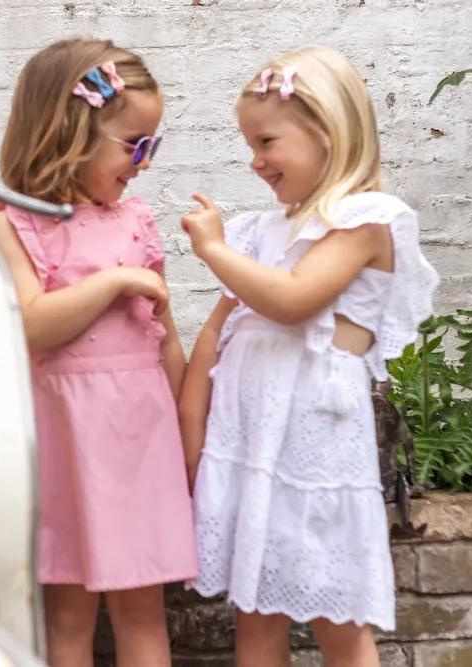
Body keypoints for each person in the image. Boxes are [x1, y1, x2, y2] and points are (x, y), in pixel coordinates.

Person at [178, 45, 440, 667]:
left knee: (337, 612)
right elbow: (217, 336)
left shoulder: (363, 222)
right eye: (250, 145)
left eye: (267, 141)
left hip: (316, 453)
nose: (255, 161)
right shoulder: (258, 235)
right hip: (250, 445)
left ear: (326, 131)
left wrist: (214, 253)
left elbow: (293, 301)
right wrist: (194, 444)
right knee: (256, 609)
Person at [0, 37, 198, 667]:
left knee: (142, 610)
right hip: (65, 439)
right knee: (69, 613)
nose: (145, 162)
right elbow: (29, 323)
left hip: (140, 437)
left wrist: (187, 436)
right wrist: (113, 282)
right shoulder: (10, 221)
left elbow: (166, 339)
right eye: (135, 145)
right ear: (69, 131)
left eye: (151, 145)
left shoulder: (134, 220)